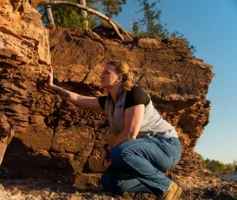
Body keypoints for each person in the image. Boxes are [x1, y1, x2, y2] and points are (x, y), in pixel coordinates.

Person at [46, 60, 182, 200]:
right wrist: (52, 86)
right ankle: (163, 181)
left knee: (119, 151)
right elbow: (78, 98)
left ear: (119, 78)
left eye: (107, 72)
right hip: (142, 152)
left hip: (166, 146)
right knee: (110, 182)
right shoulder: (108, 102)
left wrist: (108, 147)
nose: (101, 75)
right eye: (102, 72)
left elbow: (130, 134)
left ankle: (167, 187)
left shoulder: (134, 93)